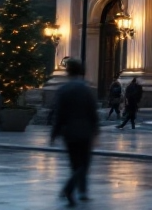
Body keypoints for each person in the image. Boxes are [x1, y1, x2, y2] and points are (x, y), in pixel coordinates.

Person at [51, 58, 99, 207]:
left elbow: (58, 114)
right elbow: (93, 112)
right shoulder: (86, 89)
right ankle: (71, 189)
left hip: (68, 132)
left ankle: (80, 191)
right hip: (85, 131)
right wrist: (96, 131)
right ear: (80, 72)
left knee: (75, 164)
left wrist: (54, 133)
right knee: (84, 163)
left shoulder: (63, 89)